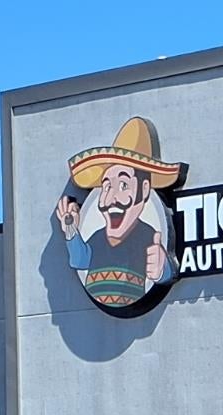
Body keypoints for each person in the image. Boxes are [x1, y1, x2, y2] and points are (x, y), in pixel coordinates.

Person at [56, 117, 180, 310]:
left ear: (145, 189)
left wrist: (163, 269)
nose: (111, 198)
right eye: (106, 186)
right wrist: (71, 231)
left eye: (123, 185)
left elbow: (163, 267)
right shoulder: (97, 238)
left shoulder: (148, 237)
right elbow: (81, 260)